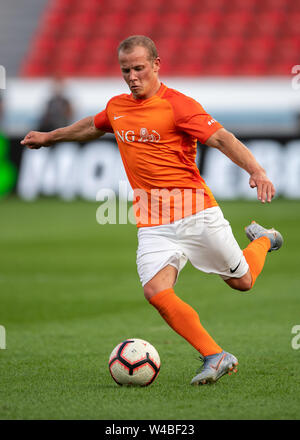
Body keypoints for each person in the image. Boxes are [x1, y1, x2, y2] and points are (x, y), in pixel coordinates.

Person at [21, 35, 283, 386]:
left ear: (156, 65)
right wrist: (49, 137)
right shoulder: (118, 107)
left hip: (195, 212)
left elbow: (222, 138)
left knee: (243, 282)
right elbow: (90, 127)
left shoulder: (178, 105)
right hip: (152, 221)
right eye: (126, 70)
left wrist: (256, 170)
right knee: (156, 291)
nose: (132, 76)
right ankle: (215, 355)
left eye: (139, 68)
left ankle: (263, 240)